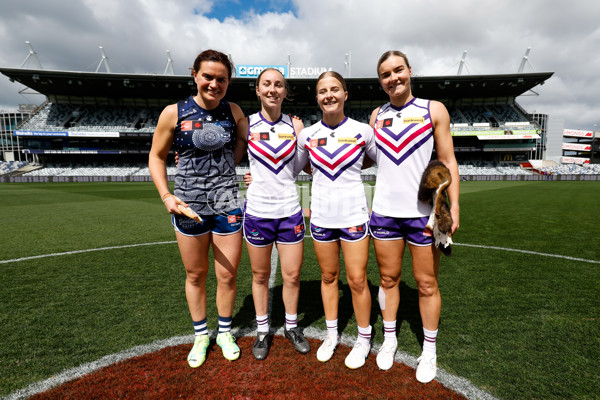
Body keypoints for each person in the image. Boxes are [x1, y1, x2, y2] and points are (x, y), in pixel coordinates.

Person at [148, 49, 248, 368]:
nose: (214, 84)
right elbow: (156, 155)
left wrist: (231, 168)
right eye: (208, 76)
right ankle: (201, 335)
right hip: (187, 206)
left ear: (228, 81)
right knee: (196, 274)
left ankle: (225, 333)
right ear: (194, 75)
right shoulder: (173, 113)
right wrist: (166, 196)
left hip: (227, 203)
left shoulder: (234, 112)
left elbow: (245, 143)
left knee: (227, 275)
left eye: (221, 79)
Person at [368, 51, 460, 382]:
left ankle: (429, 351)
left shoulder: (433, 109)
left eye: (398, 70)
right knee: (389, 280)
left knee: (426, 283)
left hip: (424, 216)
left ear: (410, 71)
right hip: (384, 214)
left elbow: (448, 160)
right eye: (385, 74)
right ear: (380, 80)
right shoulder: (376, 115)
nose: (393, 78)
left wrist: (455, 207)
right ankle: (389, 340)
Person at [295, 71, 377, 369]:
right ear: (317, 97)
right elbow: (301, 167)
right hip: (322, 217)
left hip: (354, 215)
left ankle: (364, 339)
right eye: (322, 91)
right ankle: (331, 335)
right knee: (329, 277)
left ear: (345, 94)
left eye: (334, 89)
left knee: (356, 280)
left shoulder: (363, 131)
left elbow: (372, 159)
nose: (328, 95)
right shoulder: (307, 135)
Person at [241, 68, 310, 359]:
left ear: (285, 92)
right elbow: (227, 157)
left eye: (278, 85)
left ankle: (292, 327)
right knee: (260, 275)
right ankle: (262, 331)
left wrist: (300, 133)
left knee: (292, 275)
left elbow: (301, 168)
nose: (272, 89)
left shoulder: (296, 126)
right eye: (266, 84)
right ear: (257, 90)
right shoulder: (245, 124)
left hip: (289, 211)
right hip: (257, 211)